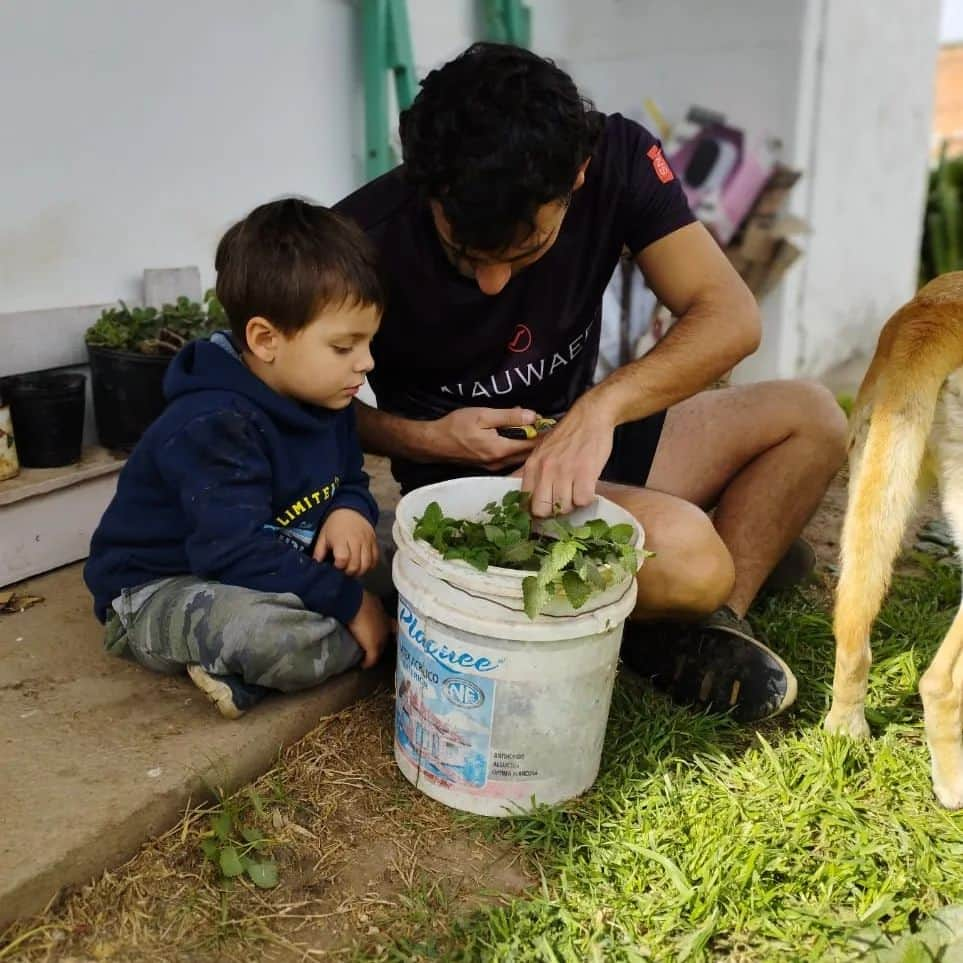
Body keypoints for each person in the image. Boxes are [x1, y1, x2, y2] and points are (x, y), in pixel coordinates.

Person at [335, 43, 848, 723]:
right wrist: (425, 436)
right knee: (694, 558)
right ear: (425, 188)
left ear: (576, 177)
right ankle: (685, 594)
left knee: (810, 416)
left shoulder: (614, 158)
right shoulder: (357, 238)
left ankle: (704, 629)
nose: (491, 282)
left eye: (523, 252)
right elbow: (280, 405)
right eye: (463, 252)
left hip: (585, 438)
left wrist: (599, 410)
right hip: (480, 495)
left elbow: (729, 316)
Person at [84, 199, 392, 719]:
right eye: (344, 346)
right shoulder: (211, 423)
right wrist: (351, 602)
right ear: (265, 339)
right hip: (164, 585)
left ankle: (296, 652)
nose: (366, 363)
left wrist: (349, 510)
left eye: (368, 342)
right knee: (267, 634)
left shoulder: (328, 392)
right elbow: (231, 553)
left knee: (402, 553)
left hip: (273, 552)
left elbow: (351, 477)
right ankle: (352, 636)